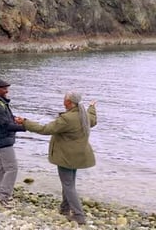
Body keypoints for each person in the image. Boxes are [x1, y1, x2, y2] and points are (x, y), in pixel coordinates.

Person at [17, 91, 97, 225]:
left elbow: (45, 129)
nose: (63, 101)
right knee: (69, 183)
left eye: (64, 99)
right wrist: (92, 107)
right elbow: (93, 120)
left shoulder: (67, 119)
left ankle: (78, 215)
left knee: (68, 185)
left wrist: (25, 122)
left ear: (69, 102)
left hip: (66, 156)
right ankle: (64, 208)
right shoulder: (85, 115)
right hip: (78, 155)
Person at [0, 79, 26, 208]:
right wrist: (25, 127)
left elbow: (7, 120)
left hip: (1, 139)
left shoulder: (0, 102)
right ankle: (3, 197)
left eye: (7, 88)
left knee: (3, 167)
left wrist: (17, 120)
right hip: (2, 140)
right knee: (12, 168)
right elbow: (6, 125)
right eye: (4, 88)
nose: (7, 91)